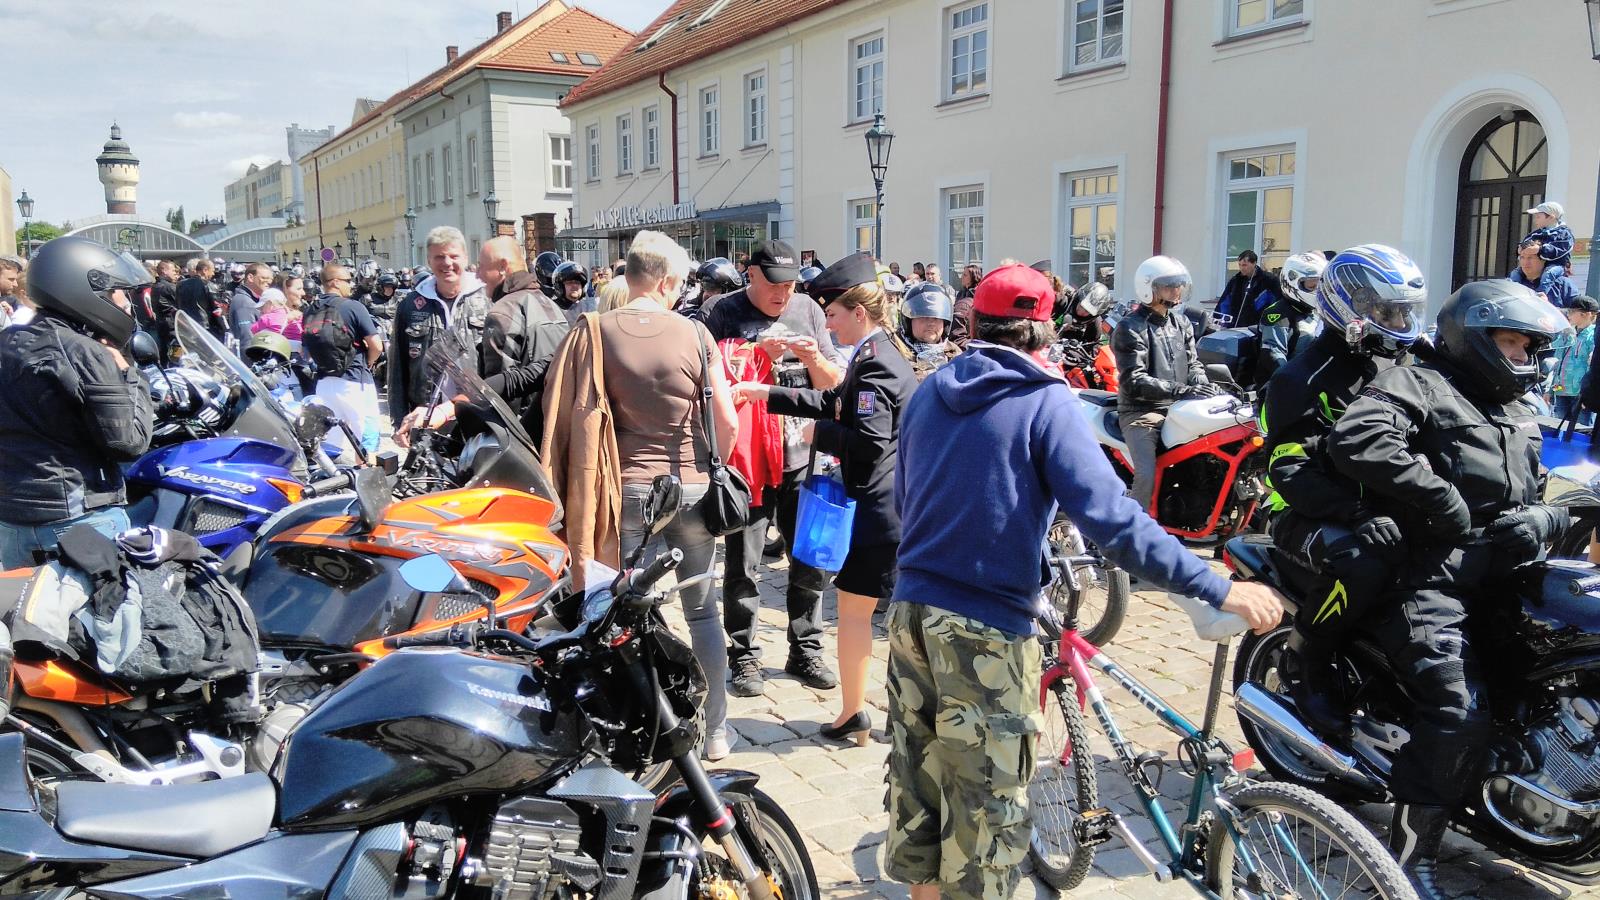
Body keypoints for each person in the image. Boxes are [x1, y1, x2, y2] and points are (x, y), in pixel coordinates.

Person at [888, 262, 1283, 900]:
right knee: (988, 807)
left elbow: (905, 502)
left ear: (972, 323)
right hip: (986, 624)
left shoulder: (929, 391)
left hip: (910, 608)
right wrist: (1216, 587)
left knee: (921, 777)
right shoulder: (1046, 401)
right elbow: (1115, 522)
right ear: (1044, 331)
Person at [1326, 279, 1566, 898]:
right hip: (1430, 576)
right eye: (1511, 343)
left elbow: (1548, 492)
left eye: (1529, 346)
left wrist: (1547, 519)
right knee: (1459, 708)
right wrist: (1440, 499)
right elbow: (1358, 438)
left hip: (1506, 577)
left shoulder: (1516, 406)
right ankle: (1409, 855)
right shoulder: (1419, 380)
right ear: (1476, 337)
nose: (1522, 357)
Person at [733, 253, 917, 744]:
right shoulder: (874, 355)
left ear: (860, 312)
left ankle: (860, 714)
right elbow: (835, 402)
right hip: (884, 503)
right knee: (866, 615)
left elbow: (869, 440)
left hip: (879, 509)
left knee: (859, 618)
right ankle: (860, 711)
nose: (826, 324)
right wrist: (764, 393)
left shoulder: (876, 363)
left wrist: (818, 436)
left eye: (832, 315)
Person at [1258, 244, 1429, 736]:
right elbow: (1288, 470)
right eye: (1386, 310)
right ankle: (1305, 660)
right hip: (1304, 511)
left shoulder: (1400, 361)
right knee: (1362, 560)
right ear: (1349, 306)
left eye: (1403, 311)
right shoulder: (1300, 378)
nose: (1397, 321)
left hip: (1379, 501)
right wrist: (1354, 514)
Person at [585, 230, 739, 759]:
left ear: (629, 277)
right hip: (691, 484)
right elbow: (726, 419)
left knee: (631, 615)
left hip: (627, 488)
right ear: (668, 281)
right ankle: (715, 731)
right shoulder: (696, 334)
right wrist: (713, 462)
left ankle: (651, 730)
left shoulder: (596, 331)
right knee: (703, 612)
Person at [703, 239, 846, 696]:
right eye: (775, 284)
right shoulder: (722, 312)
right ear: (752, 275)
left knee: (807, 560)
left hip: (802, 458)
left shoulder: (809, 310)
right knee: (743, 566)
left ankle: (805, 649)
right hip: (748, 461)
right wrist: (753, 351)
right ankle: (742, 655)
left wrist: (810, 358)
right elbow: (708, 383)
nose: (784, 294)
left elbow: (832, 384)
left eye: (790, 285)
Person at [0, 237, 155, 568]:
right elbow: (128, 442)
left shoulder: (8, 340)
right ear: (85, 288)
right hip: (76, 520)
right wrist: (130, 375)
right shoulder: (83, 351)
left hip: (12, 519)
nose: (126, 303)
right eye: (118, 292)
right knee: (113, 616)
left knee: (29, 617)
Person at [1113, 256, 1219, 513]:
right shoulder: (1130, 327)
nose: (1177, 290)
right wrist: (1182, 390)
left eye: (1179, 284)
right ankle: (1132, 534)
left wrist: (1205, 389)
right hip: (1142, 412)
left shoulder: (1181, 323)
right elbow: (1133, 380)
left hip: (1180, 409)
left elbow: (1193, 365)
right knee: (1146, 475)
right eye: (1169, 285)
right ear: (1149, 289)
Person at [456, 236, 571, 441]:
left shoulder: (502, 312)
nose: (478, 275)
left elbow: (502, 395)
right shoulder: (550, 304)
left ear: (502, 267)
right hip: (560, 427)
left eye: (482, 267)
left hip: (525, 436)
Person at [388, 226, 491, 427]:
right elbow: (397, 369)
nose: (447, 263)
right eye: (439, 257)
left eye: (454, 256)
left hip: (477, 412)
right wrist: (399, 421)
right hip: (426, 414)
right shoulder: (410, 304)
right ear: (428, 261)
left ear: (466, 257)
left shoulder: (487, 299)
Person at [303, 263, 383, 458]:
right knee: (366, 439)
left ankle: (331, 484)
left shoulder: (310, 311)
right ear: (336, 282)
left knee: (330, 443)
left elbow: (307, 352)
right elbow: (377, 345)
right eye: (349, 281)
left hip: (324, 382)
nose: (352, 285)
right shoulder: (353, 307)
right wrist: (370, 363)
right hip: (355, 380)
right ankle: (366, 480)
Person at [1255, 250, 1326, 386]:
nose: (1317, 290)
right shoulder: (1277, 314)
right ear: (1292, 282)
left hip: (1315, 380)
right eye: (1312, 285)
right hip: (1282, 389)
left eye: (1320, 285)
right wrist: (1290, 382)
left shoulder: (1317, 312)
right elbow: (1274, 354)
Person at [1550, 294, 1599, 426]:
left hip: (1581, 395)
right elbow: (1557, 362)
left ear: (1585, 314)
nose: (1569, 315)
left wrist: (1589, 395)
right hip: (1561, 390)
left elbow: (1594, 367)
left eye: (1572, 312)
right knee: (1560, 429)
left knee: (1581, 431)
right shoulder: (1567, 334)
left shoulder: (1593, 336)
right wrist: (1549, 391)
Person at [901, 281, 961, 381]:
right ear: (908, 321)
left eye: (936, 318)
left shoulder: (955, 354)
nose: (931, 323)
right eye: (923, 317)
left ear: (945, 323)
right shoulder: (897, 354)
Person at [1509, 238, 1579, 308]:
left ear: (1543, 260)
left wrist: (1548, 308)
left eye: (1530, 258)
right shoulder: (1512, 283)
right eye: (1522, 257)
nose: (1525, 262)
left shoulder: (1564, 284)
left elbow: (1578, 312)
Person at [1215, 249, 1276, 329]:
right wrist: (1222, 322)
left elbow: (1276, 304)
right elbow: (1224, 303)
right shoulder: (1235, 281)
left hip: (1259, 327)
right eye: (1239, 265)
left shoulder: (1269, 280)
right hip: (1236, 326)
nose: (1241, 268)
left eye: (1244, 265)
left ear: (1254, 263)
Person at [177, 257, 224, 341]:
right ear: (205, 270)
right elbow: (217, 311)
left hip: (187, 326)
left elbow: (178, 304)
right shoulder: (209, 286)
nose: (213, 273)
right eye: (212, 270)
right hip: (205, 328)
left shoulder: (181, 285)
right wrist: (223, 329)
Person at [1522, 201, 1575, 271]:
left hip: (1557, 266)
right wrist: (1521, 247)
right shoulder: (1537, 233)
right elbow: (1526, 241)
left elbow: (1560, 249)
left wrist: (1540, 249)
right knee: (1515, 274)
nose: (1535, 220)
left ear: (1551, 217)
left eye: (1538, 217)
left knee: (1548, 274)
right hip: (1536, 266)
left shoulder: (1564, 234)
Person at [229, 262, 271, 346]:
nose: (269, 282)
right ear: (250, 278)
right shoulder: (244, 302)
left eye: (270, 279)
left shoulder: (251, 299)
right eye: (264, 278)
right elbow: (247, 340)